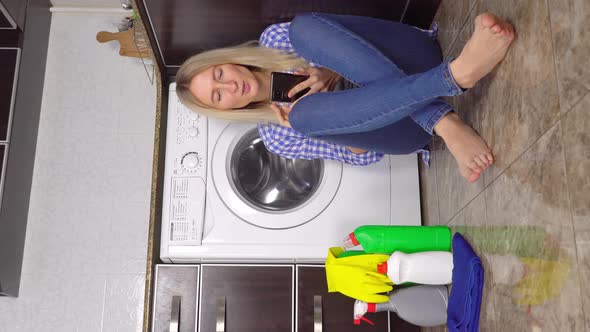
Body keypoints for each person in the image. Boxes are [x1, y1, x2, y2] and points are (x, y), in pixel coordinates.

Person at [175, 12, 515, 182]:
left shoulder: (275, 39)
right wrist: (310, 126)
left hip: (413, 59)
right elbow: (363, 157)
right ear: (226, 110)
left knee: (303, 28)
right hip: (402, 129)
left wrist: (328, 72)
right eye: (218, 96)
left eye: (220, 75)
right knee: (303, 118)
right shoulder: (277, 136)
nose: (231, 87)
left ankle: (442, 113)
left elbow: (361, 34)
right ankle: (453, 84)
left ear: (227, 61)